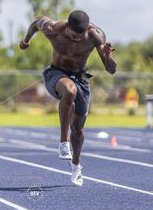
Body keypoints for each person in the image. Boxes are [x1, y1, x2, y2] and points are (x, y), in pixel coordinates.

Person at [19, 10, 117, 186]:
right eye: (74, 35)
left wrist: (109, 58)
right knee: (69, 91)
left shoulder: (95, 35)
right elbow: (35, 24)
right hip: (55, 74)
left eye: (81, 36)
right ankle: (63, 142)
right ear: (67, 28)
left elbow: (111, 70)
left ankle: (76, 166)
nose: (78, 39)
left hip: (81, 77)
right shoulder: (52, 28)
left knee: (78, 128)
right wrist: (26, 41)